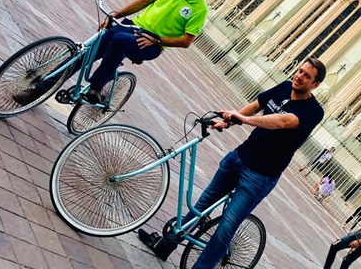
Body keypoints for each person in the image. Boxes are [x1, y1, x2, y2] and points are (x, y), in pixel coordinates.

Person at [139, 57, 327, 268]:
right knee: (203, 204)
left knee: (226, 227)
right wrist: (227, 121)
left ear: (315, 84)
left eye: (307, 76)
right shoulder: (284, 86)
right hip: (238, 157)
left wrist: (242, 119)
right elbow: (256, 106)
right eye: (300, 71)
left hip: (260, 176)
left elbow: (282, 122)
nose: (299, 77)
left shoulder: (313, 111)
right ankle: (166, 246)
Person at [13, 0, 220, 105]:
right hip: (132, 26)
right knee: (83, 55)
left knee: (120, 40)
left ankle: (96, 87)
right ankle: (38, 90)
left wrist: (157, 39)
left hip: (151, 44)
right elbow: (145, 0)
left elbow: (186, 41)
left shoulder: (200, 9)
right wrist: (117, 14)